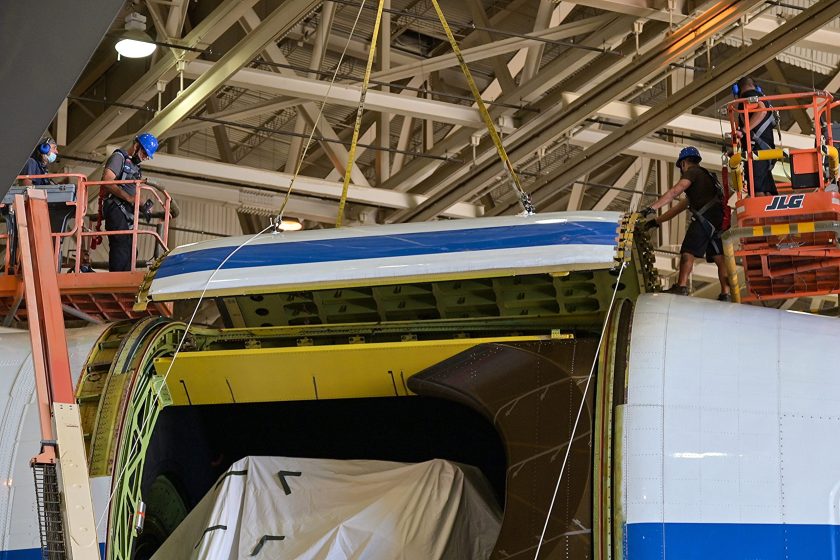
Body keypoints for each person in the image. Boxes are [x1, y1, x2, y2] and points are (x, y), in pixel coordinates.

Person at [642, 147, 731, 302]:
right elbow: (680, 207)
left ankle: (681, 287)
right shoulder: (707, 179)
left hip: (704, 220)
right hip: (717, 222)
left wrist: (651, 208)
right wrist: (656, 221)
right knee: (719, 258)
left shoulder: (693, 172)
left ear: (683, 163)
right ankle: (726, 293)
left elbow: (675, 191)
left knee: (687, 252)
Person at [101, 132, 158, 271]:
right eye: (144, 153)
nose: (144, 158)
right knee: (121, 246)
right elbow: (107, 181)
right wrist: (128, 198)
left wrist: (141, 204)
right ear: (136, 145)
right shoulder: (118, 157)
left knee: (132, 250)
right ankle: (116, 282)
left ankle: (123, 280)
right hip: (116, 208)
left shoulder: (135, 167)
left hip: (126, 212)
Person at [732, 77, 777, 196]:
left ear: (737, 90)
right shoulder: (763, 98)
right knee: (766, 189)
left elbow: (761, 111)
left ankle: (761, 214)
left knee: (757, 190)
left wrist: (743, 130)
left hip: (757, 150)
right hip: (765, 151)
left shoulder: (749, 96)